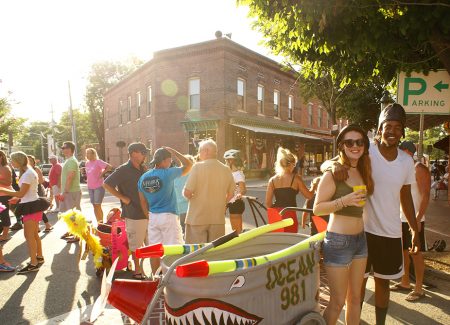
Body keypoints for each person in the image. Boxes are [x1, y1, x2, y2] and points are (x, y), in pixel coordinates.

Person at [322, 103, 419, 325]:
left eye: (397, 127)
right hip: (362, 232)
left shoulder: (406, 161)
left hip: (391, 232)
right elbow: (335, 160)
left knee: (383, 284)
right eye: (387, 126)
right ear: (380, 128)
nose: (392, 131)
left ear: (403, 131)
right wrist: (331, 166)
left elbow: (406, 196)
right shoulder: (367, 152)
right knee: (357, 288)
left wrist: (414, 228)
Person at [313, 124, 374, 324]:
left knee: (355, 299)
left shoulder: (364, 169)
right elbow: (318, 208)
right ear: (341, 146)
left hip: (360, 241)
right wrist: (344, 201)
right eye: (349, 142)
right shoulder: (334, 173)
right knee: (337, 302)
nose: (355, 146)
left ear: (365, 145)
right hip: (338, 241)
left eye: (359, 142)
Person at [138, 147, 192, 274]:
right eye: (169, 160)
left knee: (154, 251)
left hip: (153, 217)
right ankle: (173, 279)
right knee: (174, 249)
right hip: (168, 216)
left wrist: (148, 216)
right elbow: (189, 165)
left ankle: (156, 280)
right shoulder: (168, 173)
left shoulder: (143, 177)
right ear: (165, 160)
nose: (170, 163)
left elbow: (142, 201)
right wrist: (174, 151)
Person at [390, 141, 430, 302]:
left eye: (401, 151)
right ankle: (405, 282)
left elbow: (426, 196)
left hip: (414, 219)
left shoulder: (419, 168)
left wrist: (418, 219)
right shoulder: (400, 170)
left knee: (416, 253)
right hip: (400, 218)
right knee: (403, 252)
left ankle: (419, 288)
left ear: (408, 152)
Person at [103, 142, 149, 279]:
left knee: (150, 243)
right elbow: (106, 184)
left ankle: (151, 270)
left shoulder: (143, 168)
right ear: (134, 153)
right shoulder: (123, 169)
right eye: (143, 152)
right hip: (133, 212)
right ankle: (137, 271)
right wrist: (123, 198)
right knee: (136, 244)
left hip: (147, 211)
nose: (145, 155)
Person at [0, 151, 50, 274]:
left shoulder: (27, 174)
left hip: (31, 207)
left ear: (18, 161)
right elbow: (26, 193)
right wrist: (16, 198)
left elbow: (21, 193)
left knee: (29, 237)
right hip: (33, 205)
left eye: (13, 161)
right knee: (34, 235)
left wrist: (3, 189)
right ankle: (39, 257)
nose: (11, 163)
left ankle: (33, 264)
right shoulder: (29, 172)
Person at [183, 139, 235, 244]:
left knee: (197, 252)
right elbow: (231, 194)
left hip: (197, 217)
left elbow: (187, 192)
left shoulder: (197, 167)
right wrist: (222, 204)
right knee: (215, 253)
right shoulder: (226, 169)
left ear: (206, 151)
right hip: (217, 218)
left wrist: (190, 196)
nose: (199, 153)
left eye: (200, 151)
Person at [265, 147, 314, 233]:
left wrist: (278, 207)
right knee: (290, 240)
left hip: (276, 214)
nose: (294, 167)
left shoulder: (272, 180)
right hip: (289, 213)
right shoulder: (296, 178)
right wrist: (314, 186)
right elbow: (309, 196)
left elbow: (268, 204)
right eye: (294, 164)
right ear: (291, 164)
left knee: (277, 242)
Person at [59, 141, 82, 243]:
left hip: (71, 192)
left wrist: (65, 192)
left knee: (73, 215)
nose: (62, 149)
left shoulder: (72, 161)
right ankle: (71, 231)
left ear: (69, 149)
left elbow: (70, 177)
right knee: (69, 215)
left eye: (63, 148)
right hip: (69, 191)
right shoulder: (69, 160)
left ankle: (77, 235)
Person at [85, 148, 112, 223]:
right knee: (94, 205)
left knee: (97, 205)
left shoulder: (98, 162)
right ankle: (98, 222)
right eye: (87, 153)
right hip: (90, 187)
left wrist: (102, 173)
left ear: (94, 154)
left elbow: (109, 167)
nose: (88, 155)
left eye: (89, 153)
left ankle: (101, 223)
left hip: (98, 187)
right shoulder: (87, 163)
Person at [27, 155, 52, 232]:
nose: (28, 162)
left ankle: (46, 224)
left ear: (33, 162)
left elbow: (41, 181)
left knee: (38, 208)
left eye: (30, 160)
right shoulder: (26, 169)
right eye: (27, 160)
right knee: (34, 209)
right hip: (30, 191)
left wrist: (32, 181)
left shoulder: (36, 169)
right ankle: (39, 226)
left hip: (38, 190)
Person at [224, 149, 247, 234]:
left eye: (227, 161)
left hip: (236, 203)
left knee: (237, 231)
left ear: (231, 161)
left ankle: (241, 244)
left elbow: (243, 189)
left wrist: (239, 194)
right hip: (230, 201)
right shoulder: (229, 173)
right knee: (234, 230)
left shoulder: (238, 174)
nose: (226, 163)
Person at [174, 155, 196, 234]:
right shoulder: (194, 174)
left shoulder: (176, 175)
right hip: (190, 208)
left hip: (180, 208)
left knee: (183, 231)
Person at [0, 151, 12, 241]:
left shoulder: (5, 168)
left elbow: (8, 182)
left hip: (5, 195)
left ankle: (5, 235)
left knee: (4, 214)